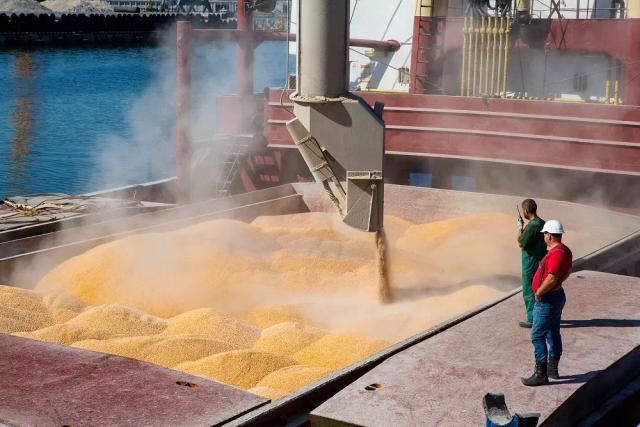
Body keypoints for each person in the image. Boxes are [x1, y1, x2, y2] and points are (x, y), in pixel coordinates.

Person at [521, 220, 573, 386]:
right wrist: (557, 284)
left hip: (547, 299)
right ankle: (552, 370)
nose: (544, 237)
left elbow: (552, 277)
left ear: (549, 235)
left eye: (544, 234)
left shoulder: (556, 253)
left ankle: (541, 374)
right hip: (555, 296)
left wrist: (539, 292)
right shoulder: (565, 250)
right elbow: (567, 271)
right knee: (552, 332)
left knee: (537, 335)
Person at [516, 199, 546, 328]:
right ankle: (542, 316)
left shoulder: (532, 225)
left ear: (526, 210)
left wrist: (520, 228)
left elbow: (520, 242)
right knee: (540, 288)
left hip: (530, 262)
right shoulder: (542, 223)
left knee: (529, 290)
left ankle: (532, 319)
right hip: (541, 260)